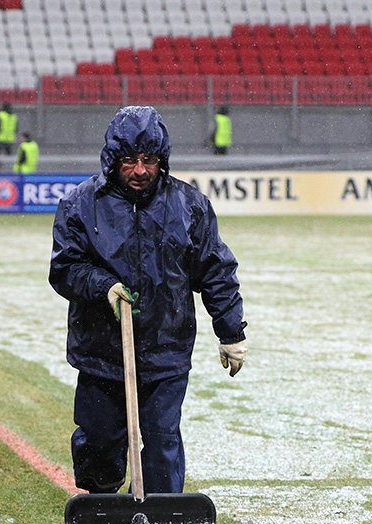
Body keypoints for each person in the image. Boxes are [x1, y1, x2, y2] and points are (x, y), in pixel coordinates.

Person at [49, 106, 247, 495]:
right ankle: (102, 504)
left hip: (166, 350)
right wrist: (103, 285)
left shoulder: (189, 206)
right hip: (101, 351)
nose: (139, 170)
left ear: (162, 159)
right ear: (112, 160)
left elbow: (214, 269)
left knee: (162, 440)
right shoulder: (80, 205)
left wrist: (230, 331)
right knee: (100, 442)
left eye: (148, 160)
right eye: (129, 160)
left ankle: (162, 517)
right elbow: (65, 268)